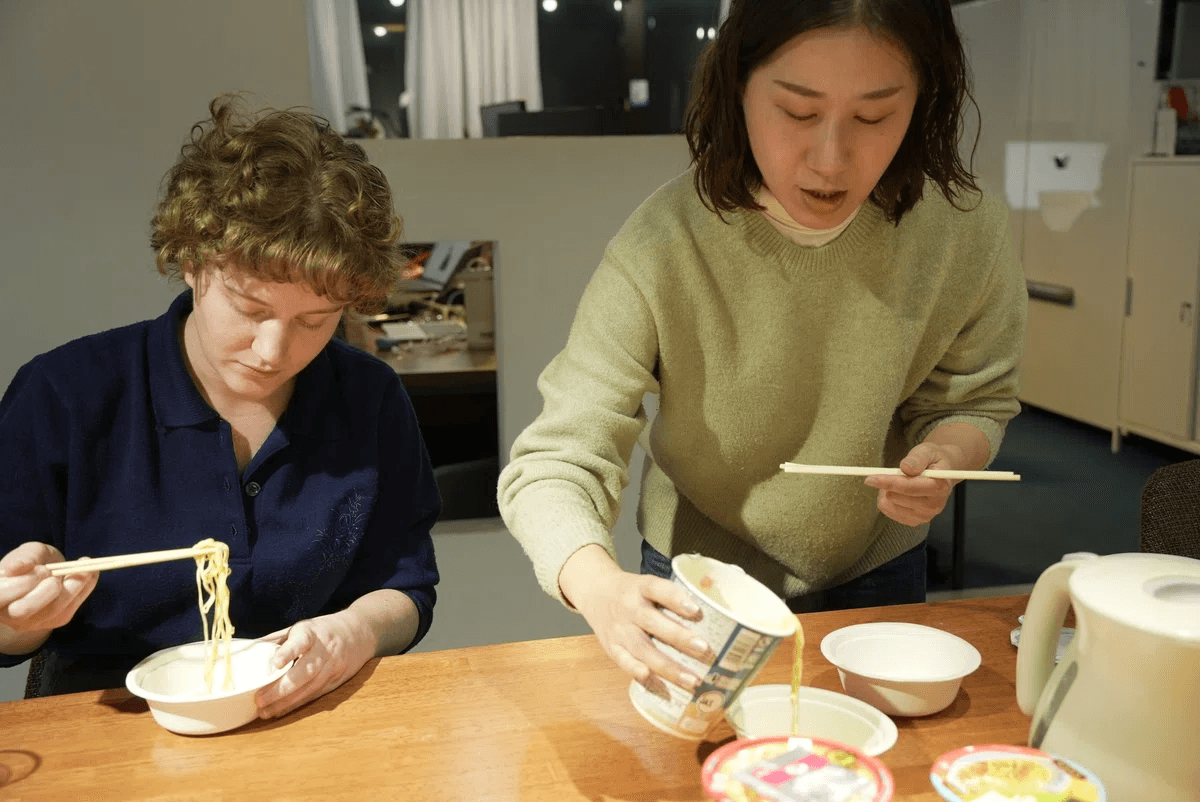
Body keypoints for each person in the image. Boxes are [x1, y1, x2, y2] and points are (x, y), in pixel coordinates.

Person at [497, 0, 1026, 694]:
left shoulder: (962, 233)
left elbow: (975, 399)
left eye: (874, 117)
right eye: (798, 112)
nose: (831, 159)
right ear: (737, 88)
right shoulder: (663, 246)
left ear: (924, 100)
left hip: (876, 564)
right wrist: (598, 586)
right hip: (701, 576)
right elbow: (558, 457)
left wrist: (949, 456)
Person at [0, 95, 440, 714]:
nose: (273, 351)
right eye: (250, 309)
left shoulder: (367, 396)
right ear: (191, 262)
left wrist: (354, 633)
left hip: (307, 716)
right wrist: (18, 617)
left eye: (314, 320)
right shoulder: (65, 396)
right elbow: (6, 633)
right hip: (107, 728)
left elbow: (406, 585)